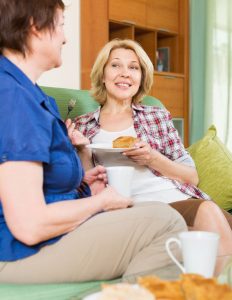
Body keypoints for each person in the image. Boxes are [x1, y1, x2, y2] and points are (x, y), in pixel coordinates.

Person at [0, 0, 187, 284]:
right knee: (167, 223)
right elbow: (30, 225)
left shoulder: (31, 94)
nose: (65, 37)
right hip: (16, 251)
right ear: (35, 28)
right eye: (61, 25)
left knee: (161, 213)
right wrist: (99, 202)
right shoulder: (14, 97)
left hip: (34, 239)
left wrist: (85, 185)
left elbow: (31, 183)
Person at [74, 39, 232, 256]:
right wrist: (82, 151)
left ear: (141, 77)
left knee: (214, 222)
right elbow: (84, 186)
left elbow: (192, 177)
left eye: (133, 67)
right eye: (115, 65)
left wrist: (152, 158)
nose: (125, 73)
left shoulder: (156, 116)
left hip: (179, 198)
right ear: (102, 74)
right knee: (206, 213)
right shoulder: (82, 125)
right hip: (139, 210)